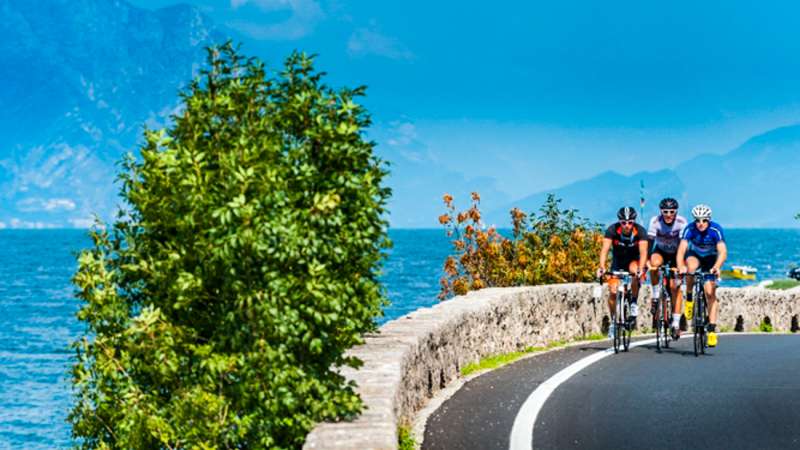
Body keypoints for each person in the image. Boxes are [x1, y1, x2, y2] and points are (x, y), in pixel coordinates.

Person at [676, 204, 727, 347]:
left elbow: (722, 252)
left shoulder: (715, 230)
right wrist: (681, 266)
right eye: (697, 220)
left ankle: (711, 330)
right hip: (695, 256)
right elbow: (681, 250)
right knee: (690, 268)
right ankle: (690, 300)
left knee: (710, 293)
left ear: (709, 220)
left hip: (711, 259)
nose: (700, 224)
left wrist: (717, 267)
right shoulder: (690, 229)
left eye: (704, 220)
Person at [598, 206, 649, 338]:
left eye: (630, 222)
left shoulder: (641, 231)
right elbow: (604, 250)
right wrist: (602, 267)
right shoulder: (612, 230)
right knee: (613, 291)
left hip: (634, 261)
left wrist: (641, 269)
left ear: (634, 221)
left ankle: (633, 302)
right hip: (618, 262)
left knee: (634, 270)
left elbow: (643, 252)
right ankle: (614, 323)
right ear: (620, 222)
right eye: (624, 223)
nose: (627, 225)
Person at [646, 198, 688, 339]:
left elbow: (683, 246)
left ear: (676, 212)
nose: (668, 214)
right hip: (661, 251)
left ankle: (676, 323)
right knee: (653, 264)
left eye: (672, 211)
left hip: (677, 253)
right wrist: (646, 260)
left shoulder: (682, 223)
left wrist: (682, 265)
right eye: (665, 212)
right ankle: (656, 294)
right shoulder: (655, 222)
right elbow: (650, 242)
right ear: (661, 212)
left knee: (674, 286)